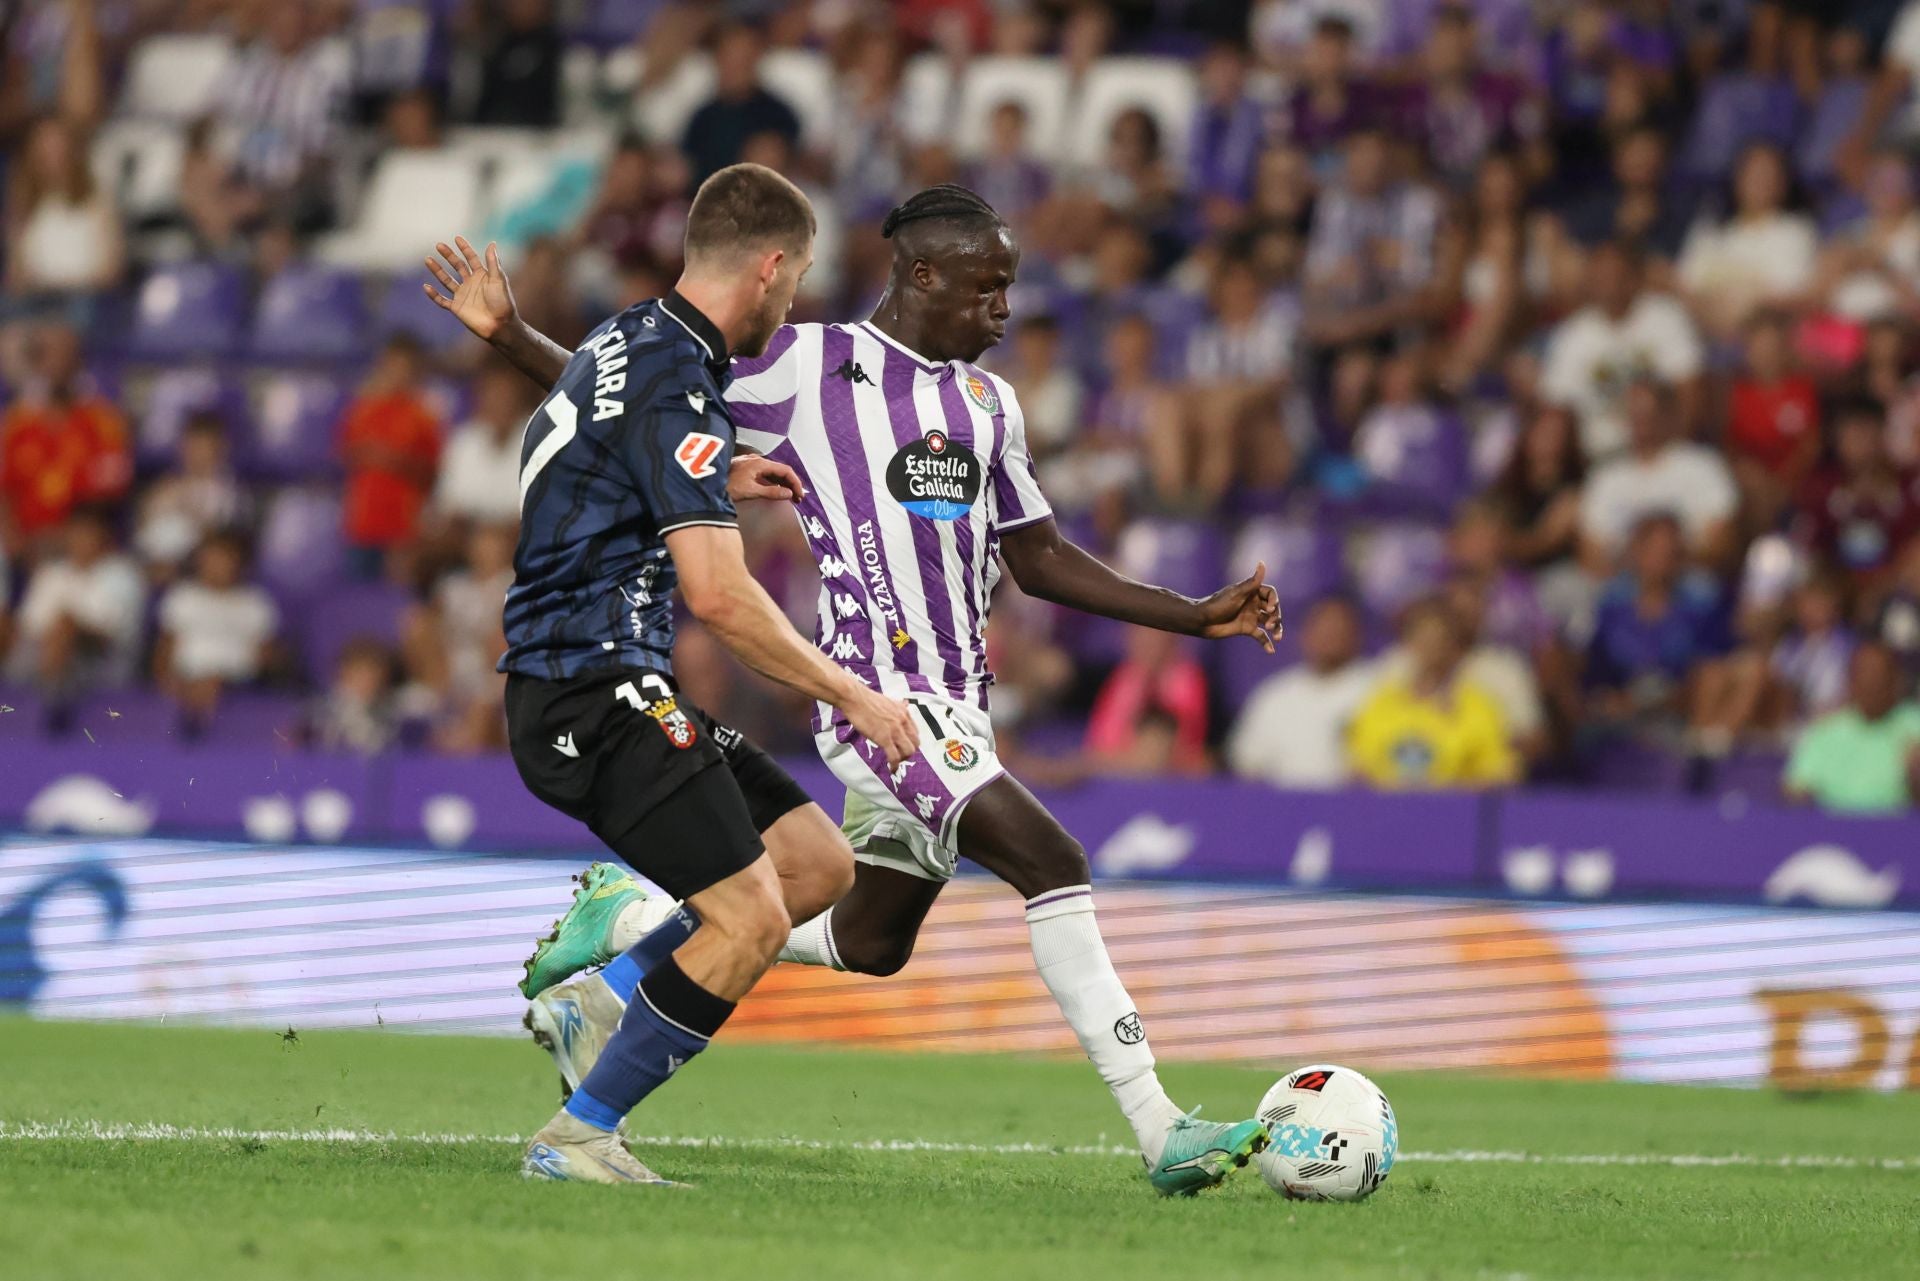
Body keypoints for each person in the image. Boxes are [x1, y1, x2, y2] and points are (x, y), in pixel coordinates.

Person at [426, 183, 1283, 1196]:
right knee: (1051, 859)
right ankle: (1160, 1125)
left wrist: (1191, 614)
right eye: (988, 286)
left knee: (867, 934)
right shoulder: (807, 365)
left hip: (959, 706)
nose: (1004, 309)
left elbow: (1041, 558)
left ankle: (622, 946)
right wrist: (514, 335)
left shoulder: (987, 406)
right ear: (925, 275)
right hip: (876, 698)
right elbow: (624, 400)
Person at [428, 163, 917, 1186]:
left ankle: (602, 996)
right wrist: (854, 695)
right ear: (772, 266)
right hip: (592, 692)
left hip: (612, 685)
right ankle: (579, 1136)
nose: (792, 304)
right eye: (797, 281)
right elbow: (721, 597)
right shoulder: (681, 378)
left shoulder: (632, 336)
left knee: (817, 866)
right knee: (752, 922)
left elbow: (602, 413)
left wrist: (520, 342)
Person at [1347, 598, 1518, 790]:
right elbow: (1359, 769)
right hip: (1389, 812)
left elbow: (1500, 775)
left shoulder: (1477, 705)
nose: (1430, 648)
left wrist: (1444, 796)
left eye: (1439, 640)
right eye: (1422, 639)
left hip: (1454, 814)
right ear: (1408, 644)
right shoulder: (1383, 702)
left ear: (1455, 647)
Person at [1227, 595, 1376, 788]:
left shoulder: (1377, 688)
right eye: (1322, 627)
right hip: (1283, 809)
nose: (1329, 636)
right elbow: (1247, 764)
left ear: (1356, 634)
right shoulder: (1275, 694)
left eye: (1338, 629)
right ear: (1305, 633)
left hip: (1353, 807)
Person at [1783, 642, 1920, 814]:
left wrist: (1915, 776)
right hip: (1833, 830)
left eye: (1879, 676)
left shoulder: (1915, 725)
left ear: (1895, 681)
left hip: (1899, 829)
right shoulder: (1825, 729)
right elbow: (1795, 789)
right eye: (1864, 675)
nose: (1872, 684)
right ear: (1851, 681)